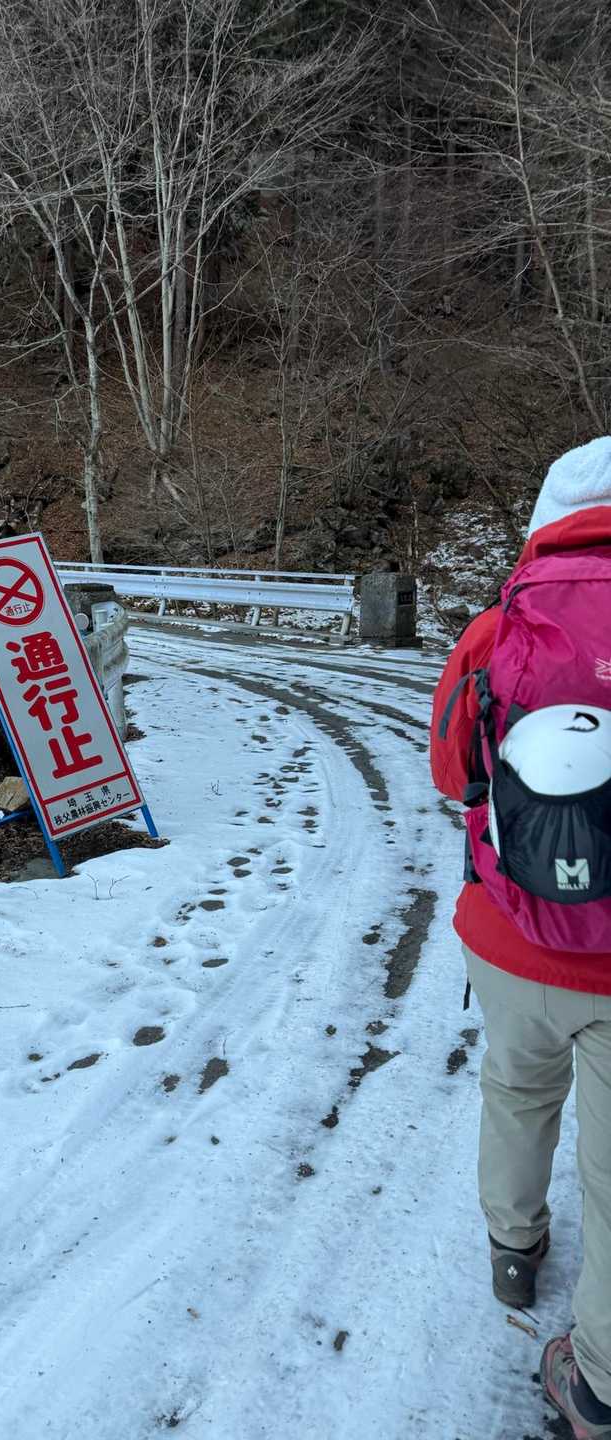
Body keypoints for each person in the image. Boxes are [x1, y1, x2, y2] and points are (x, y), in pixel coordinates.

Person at [430, 437, 611, 1440]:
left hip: (508, 936)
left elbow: (451, 771)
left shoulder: (497, 630)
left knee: (516, 1093)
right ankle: (598, 1383)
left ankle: (514, 1251)